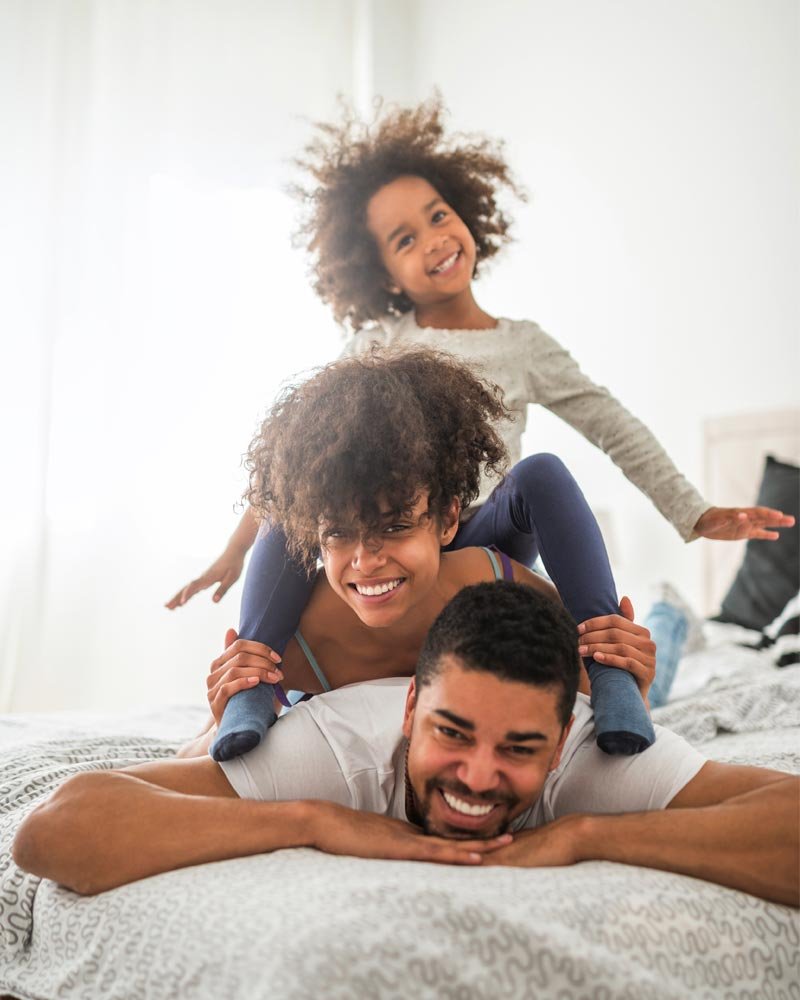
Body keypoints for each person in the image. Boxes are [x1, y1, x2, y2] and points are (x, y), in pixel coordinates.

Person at [164, 97, 794, 761]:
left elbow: (609, 422)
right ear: (379, 272)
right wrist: (236, 551)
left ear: (469, 215)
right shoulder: (375, 345)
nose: (434, 238)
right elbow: (302, 459)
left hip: (484, 525)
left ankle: (611, 669)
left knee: (543, 472)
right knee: (296, 507)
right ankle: (253, 686)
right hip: (391, 519)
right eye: (405, 239)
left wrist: (693, 511)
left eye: (438, 216)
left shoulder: (522, 346)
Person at [14, 581, 798, 906]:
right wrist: (315, 822)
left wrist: (584, 837)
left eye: (521, 749)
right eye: (451, 734)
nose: (479, 777)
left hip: (597, 686)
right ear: (411, 708)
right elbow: (54, 830)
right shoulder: (336, 746)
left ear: (562, 745)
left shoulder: (597, 756)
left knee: (649, 690)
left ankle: (670, 616)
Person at [182, 348, 656, 762]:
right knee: (287, 514)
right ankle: (254, 692)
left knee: (541, 475)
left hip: (477, 573)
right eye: (339, 534)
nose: (365, 561)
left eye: (394, 526)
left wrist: (624, 673)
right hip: (390, 592)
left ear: (449, 519)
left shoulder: (506, 593)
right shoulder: (293, 642)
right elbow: (196, 754)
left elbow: (618, 737)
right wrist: (230, 703)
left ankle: (661, 623)